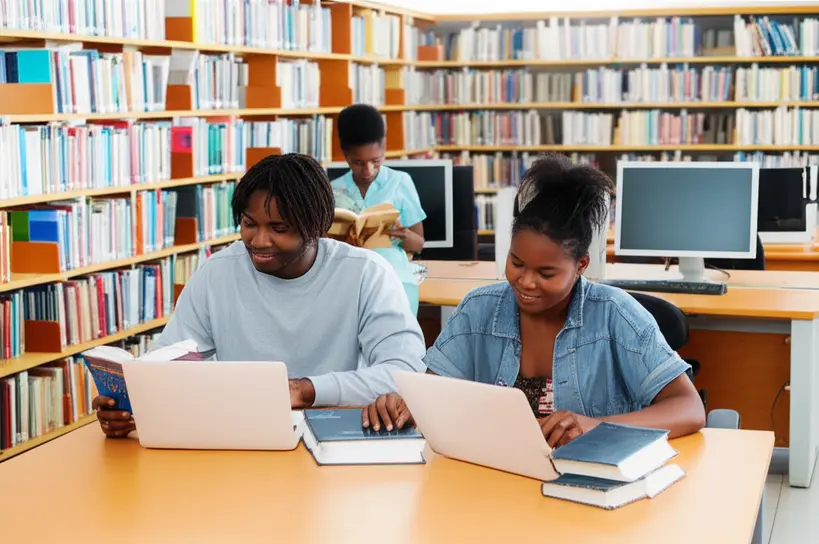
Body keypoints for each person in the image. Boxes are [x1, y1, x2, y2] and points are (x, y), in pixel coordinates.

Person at [363, 153, 706, 448]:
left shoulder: (617, 315)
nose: (525, 282)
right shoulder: (479, 309)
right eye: (516, 263)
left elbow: (689, 409)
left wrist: (592, 427)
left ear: (581, 265)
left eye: (546, 273)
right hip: (494, 482)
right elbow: (431, 394)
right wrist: (404, 404)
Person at [94, 153, 427, 438]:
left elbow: (405, 372)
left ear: (317, 226)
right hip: (237, 437)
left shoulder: (366, 272)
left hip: (333, 434)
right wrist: (132, 403)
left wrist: (304, 390)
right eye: (249, 223)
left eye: (279, 228)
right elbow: (166, 361)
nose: (259, 241)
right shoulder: (217, 272)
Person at [331, 104, 427, 315]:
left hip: (395, 281)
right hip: (348, 284)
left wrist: (405, 235)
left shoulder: (401, 182)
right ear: (344, 154)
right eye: (357, 162)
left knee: (397, 343)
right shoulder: (333, 190)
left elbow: (419, 243)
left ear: (384, 147)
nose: (368, 171)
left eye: (376, 161)